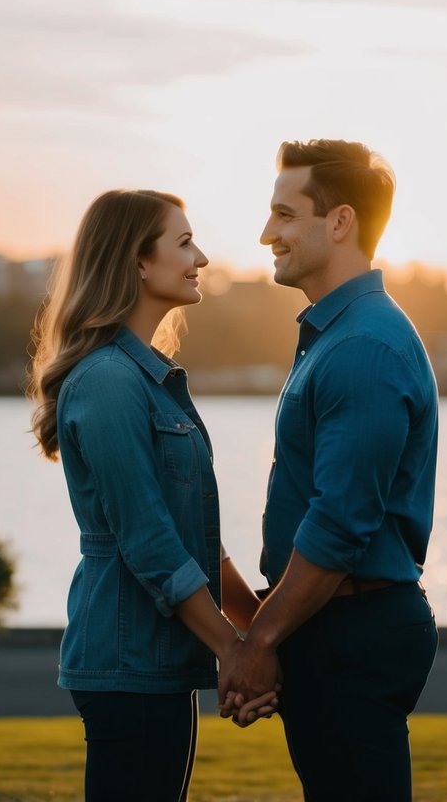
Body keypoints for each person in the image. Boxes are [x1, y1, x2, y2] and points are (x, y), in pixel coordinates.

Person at [29, 189, 275, 802]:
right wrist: (232, 648)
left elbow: (199, 542)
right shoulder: (109, 381)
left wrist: (261, 634)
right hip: (125, 666)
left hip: (159, 665)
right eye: (184, 242)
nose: (203, 257)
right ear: (138, 262)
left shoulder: (150, 378)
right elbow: (149, 539)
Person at [218, 140, 439, 801]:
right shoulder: (339, 336)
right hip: (331, 628)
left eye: (284, 214)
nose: (266, 234)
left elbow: (338, 525)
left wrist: (259, 641)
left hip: (353, 631)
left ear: (339, 222)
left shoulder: (361, 348)